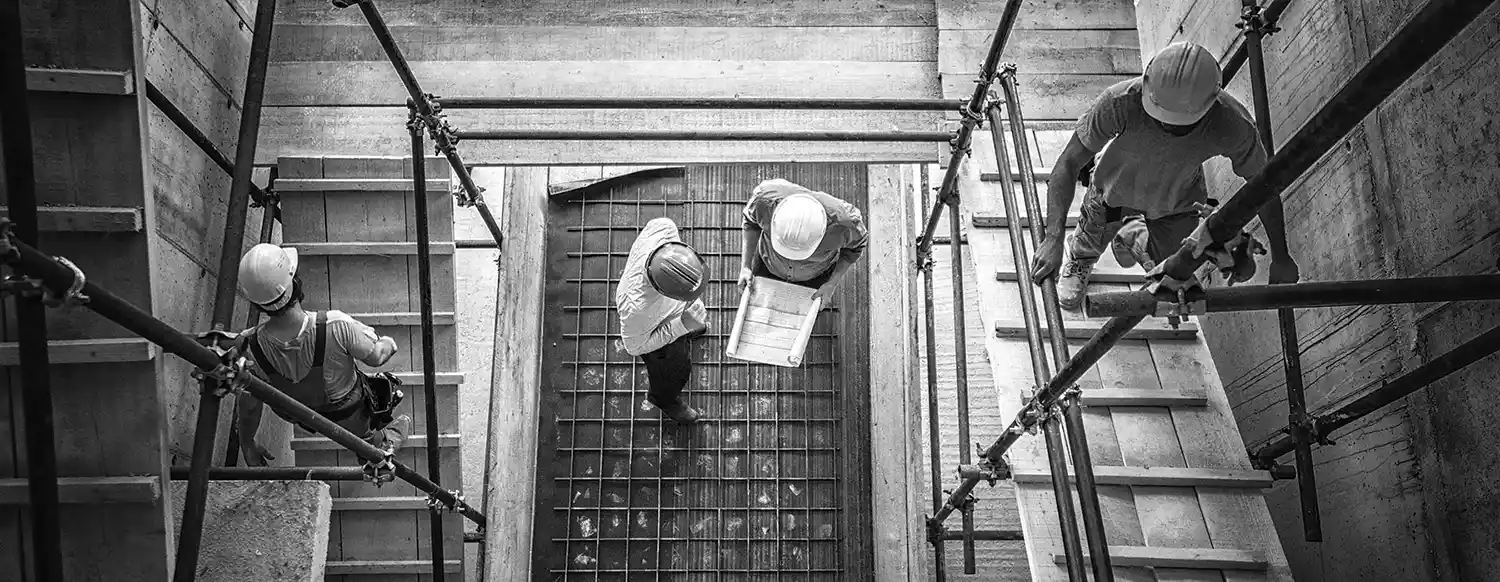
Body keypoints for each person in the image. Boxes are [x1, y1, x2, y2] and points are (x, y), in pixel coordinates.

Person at [1030, 41, 1300, 310]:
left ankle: (1132, 234)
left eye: (1179, 123)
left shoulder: (1230, 123)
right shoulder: (1120, 101)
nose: (1166, 125)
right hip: (1113, 192)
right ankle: (1081, 259)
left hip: (1175, 203)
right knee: (1090, 239)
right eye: (1160, 117)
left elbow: (1262, 187)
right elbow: (1067, 164)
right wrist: (1053, 240)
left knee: (1174, 276)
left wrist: (1281, 255)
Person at [232, 243, 411, 467]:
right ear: (295, 282)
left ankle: (369, 448)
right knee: (363, 427)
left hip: (302, 417)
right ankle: (376, 448)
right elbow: (375, 358)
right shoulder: (336, 325)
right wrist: (388, 344)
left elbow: (249, 404)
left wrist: (247, 443)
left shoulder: (249, 345)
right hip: (347, 416)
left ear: (257, 303)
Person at [616, 218, 710, 424]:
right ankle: (664, 400)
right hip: (653, 330)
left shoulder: (664, 229)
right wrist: (680, 326)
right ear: (665, 292)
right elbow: (635, 346)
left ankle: (688, 328)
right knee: (676, 369)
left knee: (688, 328)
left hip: (670, 311)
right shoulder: (637, 310)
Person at [737, 179, 869, 300]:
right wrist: (746, 267)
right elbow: (751, 222)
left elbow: (855, 248)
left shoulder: (845, 224)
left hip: (815, 274)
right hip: (768, 264)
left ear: (823, 230)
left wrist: (831, 284)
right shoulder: (764, 201)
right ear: (775, 218)